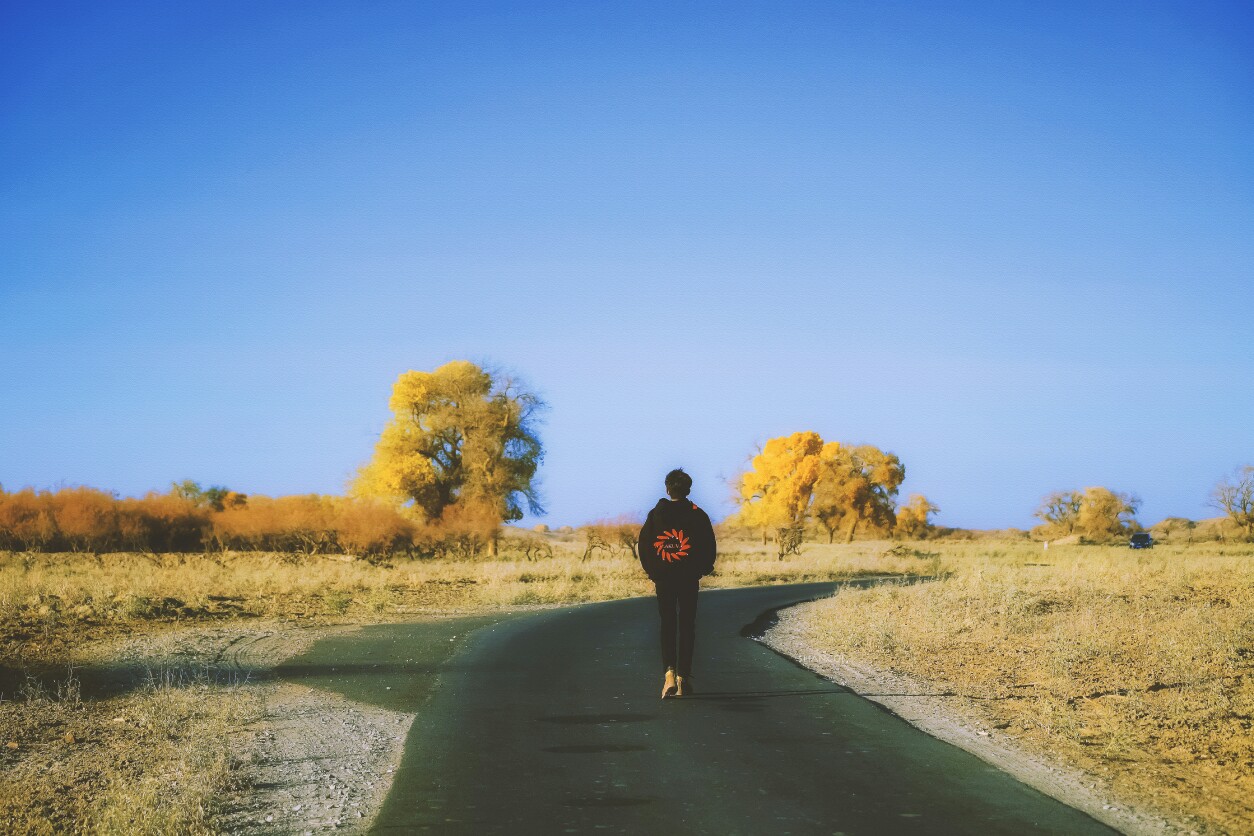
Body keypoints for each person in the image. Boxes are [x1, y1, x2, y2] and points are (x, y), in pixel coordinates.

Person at [638, 468, 717, 699]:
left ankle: (669, 674)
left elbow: (644, 545)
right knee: (687, 625)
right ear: (689, 489)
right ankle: (683, 678)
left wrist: (654, 571)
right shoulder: (698, 514)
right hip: (688, 578)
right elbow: (708, 545)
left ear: (667, 488)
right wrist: (702, 569)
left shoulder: (655, 514)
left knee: (668, 624)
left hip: (664, 578)